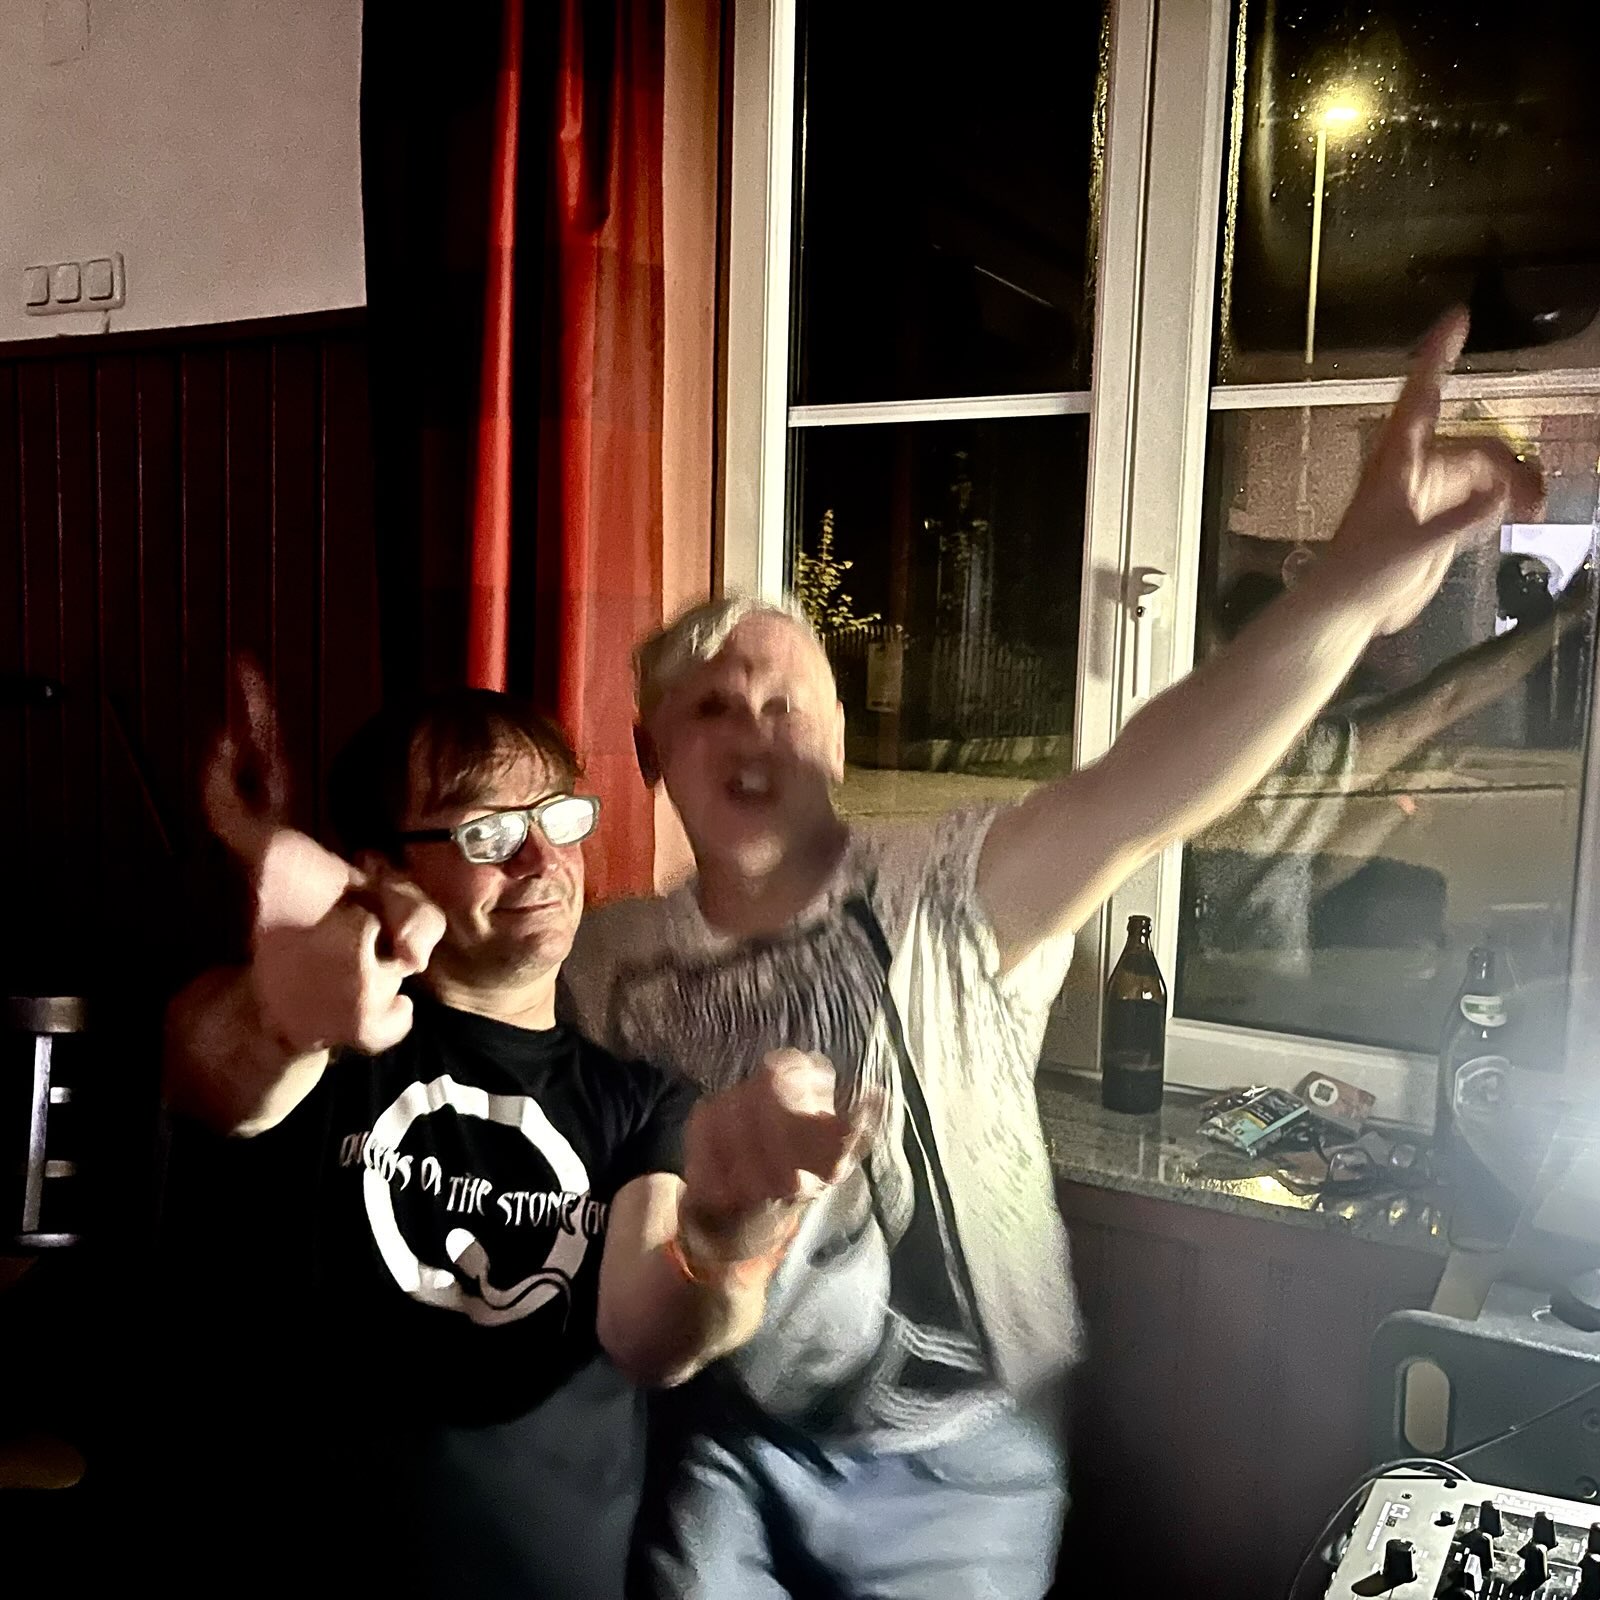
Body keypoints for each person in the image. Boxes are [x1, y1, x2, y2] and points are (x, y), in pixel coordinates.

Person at [551, 309, 1543, 1600]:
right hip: (726, 1446)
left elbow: (1149, 786)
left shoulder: (945, 890)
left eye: (784, 700)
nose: (751, 731)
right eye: (709, 708)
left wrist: (1344, 590)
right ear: (649, 752)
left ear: (838, 737)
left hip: (958, 1463)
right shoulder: (607, 961)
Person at [158, 682, 873, 1600]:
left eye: (558, 818)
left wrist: (731, 1233)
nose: (542, 859)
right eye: (487, 833)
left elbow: (650, 1336)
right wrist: (281, 1016)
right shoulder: (326, 1045)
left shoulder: (641, 1102)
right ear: (388, 869)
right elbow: (214, 1073)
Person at [1189, 557, 1589, 964]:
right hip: (1255, 988)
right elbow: (1447, 699)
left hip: (1232, 984)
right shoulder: (1289, 759)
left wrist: (1401, 799)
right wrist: (1567, 615)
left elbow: (1318, 874)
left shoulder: (1212, 757)